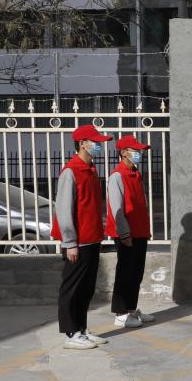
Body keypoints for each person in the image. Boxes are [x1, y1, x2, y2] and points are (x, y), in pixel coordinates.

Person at [53, 124, 112, 350]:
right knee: (72, 288)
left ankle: (82, 329)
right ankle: (71, 333)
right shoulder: (71, 171)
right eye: (94, 142)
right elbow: (64, 209)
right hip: (77, 242)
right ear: (82, 144)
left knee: (86, 288)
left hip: (92, 239)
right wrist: (70, 243)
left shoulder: (91, 169)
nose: (98, 146)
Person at [107, 135, 156, 328]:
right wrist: (124, 234)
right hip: (127, 234)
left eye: (139, 150)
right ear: (124, 153)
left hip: (139, 231)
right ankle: (120, 313)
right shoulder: (117, 177)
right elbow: (117, 209)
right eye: (135, 150)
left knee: (136, 273)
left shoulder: (135, 174)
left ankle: (130, 309)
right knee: (125, 273)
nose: (139, 153)